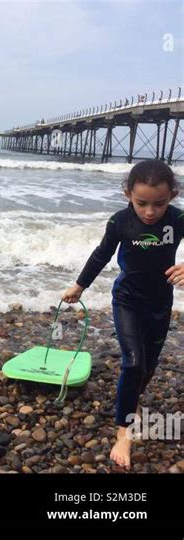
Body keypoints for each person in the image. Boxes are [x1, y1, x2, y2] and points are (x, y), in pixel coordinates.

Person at [61, 159, 184, 469]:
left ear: (172, 194)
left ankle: (131, 399)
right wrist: (79, 286)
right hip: (127, 300)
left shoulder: (179, 218)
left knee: (149, 366)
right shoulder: (119, 222)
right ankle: (124, 432)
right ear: (127, 193)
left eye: (159, 203)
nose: (150, 211)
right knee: (133, 362)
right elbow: (102, 254)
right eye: (141, 202)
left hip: (160, 302)